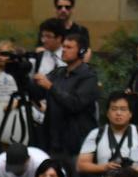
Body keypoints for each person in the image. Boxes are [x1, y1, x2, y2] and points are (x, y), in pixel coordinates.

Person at [32, 31, 100, 160]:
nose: (63, 50)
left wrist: (51, 87)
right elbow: (38, 92)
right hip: (55, 142)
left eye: (69, 47)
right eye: (63, 46)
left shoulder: (89, 76)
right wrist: (25, 79)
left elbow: (75, 104)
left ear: (81, 51)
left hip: (76, 145)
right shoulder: (58, 73)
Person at [78, 93, 138, 177]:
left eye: (123, 109)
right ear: (107, 113)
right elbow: (81, 165)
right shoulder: (96, 134)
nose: (118, 113)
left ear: (130, 114)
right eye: (114, 109)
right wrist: (104, 167)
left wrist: (133, 171)